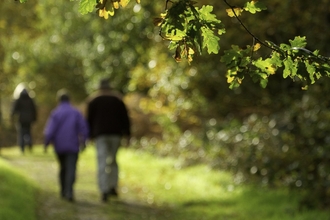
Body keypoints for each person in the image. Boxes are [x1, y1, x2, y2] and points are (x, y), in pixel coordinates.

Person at [86, 79, 131, 202]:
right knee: (113, 161)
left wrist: (89, 136)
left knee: (102, 161)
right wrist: (127, 135)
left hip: (100, 135)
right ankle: (112, 186)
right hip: (116, 134)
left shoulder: (93, 101)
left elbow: (89, 120)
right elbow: (125, 118)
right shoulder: (117, 100)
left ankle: (104, 189)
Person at [44, 89, 89, 202]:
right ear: (70, 99)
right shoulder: (76, 112)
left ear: (58, 100)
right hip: (73, 146)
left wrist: (46, 143)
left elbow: (50, 130)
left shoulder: (56, 113)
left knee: (63, 168)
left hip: (59, 146)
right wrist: (83, 141)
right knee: (71, 168)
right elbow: (83, 128)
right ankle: (69, 191)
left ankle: (63, 190)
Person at [11, 88, 37, 153]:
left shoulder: (19, 100)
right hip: (29, 119)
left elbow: (14, 109)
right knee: (28, 132)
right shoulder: (30, 100)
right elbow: (34, 110)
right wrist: (34, 119)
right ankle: (29, 143)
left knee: (21, 133)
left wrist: (12, 116)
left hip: (21, 119)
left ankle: (22, 148)